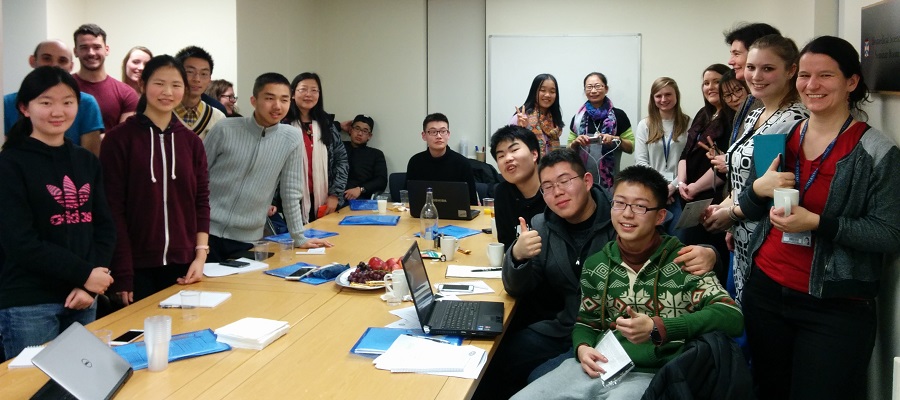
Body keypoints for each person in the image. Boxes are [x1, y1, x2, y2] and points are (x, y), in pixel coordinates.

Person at [473, 149, 717, 400]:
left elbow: (664, 245)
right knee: (496, 359)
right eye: (547, 186)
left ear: (587, 181)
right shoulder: (541, 226)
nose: (557, 192)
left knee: (539, 377)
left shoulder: (621, 216)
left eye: (565, 181)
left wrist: (710, 252)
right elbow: (518, 288)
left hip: (614, 331)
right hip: (566, 325)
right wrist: (517, 256)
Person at [737, 36, 900, 400]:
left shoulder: (876, 151)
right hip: (766, 291)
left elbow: (890, 233)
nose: (811, 86)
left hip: (835, 306)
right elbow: (749, 208)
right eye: (804, 75)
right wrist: (756, 190)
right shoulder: (777, 137)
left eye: (825, 75)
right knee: (769, 390)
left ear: (851, 82)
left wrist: (817, 223)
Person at [0, 66, 115, 360]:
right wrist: (86, 274)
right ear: (25, 108)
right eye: (46, 102)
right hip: (30, 302)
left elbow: (103, 228)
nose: (58, 111)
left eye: (67, 102)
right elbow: (20, 242)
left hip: (82, 296)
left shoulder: (86, 161)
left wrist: (91, 284)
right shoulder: (10, 164)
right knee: (33, 389)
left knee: (79, 386)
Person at [704, 35, 808, 304]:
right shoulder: (754, 113)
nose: (756, 76)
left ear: (791, 71)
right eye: (751, 67)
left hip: (766, 241)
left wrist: (731, 214)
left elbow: (771, 192)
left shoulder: (792, 121)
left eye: (768, 68)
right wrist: (727, 214)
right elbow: (745, 179)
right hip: (741, 236)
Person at [100, 55, 210, 305]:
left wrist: (200, 256)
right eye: (159, 83)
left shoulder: (192, 143)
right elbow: (112, 210)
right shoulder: (119, 140)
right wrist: (123, 271)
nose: (168, 92)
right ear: (142, 85)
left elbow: (201, 202)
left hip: (184, 266)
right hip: (135, 268)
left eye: (176, 85)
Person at [203, 73, 333, 262]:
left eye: (284, 99)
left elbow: (290, 191)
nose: (277, 106)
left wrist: (298, 236)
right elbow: (197, 178)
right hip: (206, 234)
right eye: (269, 98)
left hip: (249, 239)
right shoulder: (224, 129)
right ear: (254, 100)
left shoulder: (291, 137)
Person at [676, 63, 731, 284]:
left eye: (716, 81)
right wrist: (681, 182)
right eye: (706, 82)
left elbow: (725, 166)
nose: (710, 87)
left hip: (713, 198)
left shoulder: (731, 118)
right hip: (688, 195)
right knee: (690, 256)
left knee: (711, 259)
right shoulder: (703, 114)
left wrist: (695, 187)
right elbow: (685, 153)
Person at [4, 40, 103, 156]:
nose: (54, 65)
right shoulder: (6, 103)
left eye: (62, 60)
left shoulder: (86, 103)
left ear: (71, 66)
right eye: (47, 58)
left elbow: (91, 156)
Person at [283, 72, 349, 221]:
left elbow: (341, 160)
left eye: (314, 90)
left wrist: (335, 194)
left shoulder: (327, 124)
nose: (309, 94)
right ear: (293, 94)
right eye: (303, 89)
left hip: (325, 200)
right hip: (290, 201)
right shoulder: (283, 124)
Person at [634, 77, 691, 235]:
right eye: (658, 96)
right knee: (652, 241)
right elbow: (641, 161)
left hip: (679, 193)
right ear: (653, 99)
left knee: (678, 242)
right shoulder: (645, 125)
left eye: (668, 94)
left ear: (676, 96)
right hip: (652, 191)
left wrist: (672, 187)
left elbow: (690, 161)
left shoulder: (688, 124)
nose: (663, 99)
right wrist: (661, 188)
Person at [568, 72, 634, 189]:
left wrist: (615, 139)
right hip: (582, 181)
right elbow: (568, 150)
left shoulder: (619, 115)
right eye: (589, 87)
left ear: (606, 88)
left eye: (598, 86)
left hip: (611, 182)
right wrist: (575, 143)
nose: (593, 91)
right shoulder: (578, 118)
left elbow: (630, 147)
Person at [72, 23, 139, 132]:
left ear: (106, 50)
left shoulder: (126, 93)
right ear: (75, 51)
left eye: (97, 47)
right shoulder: (64, 88)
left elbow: (123, 137)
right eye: (84, 47)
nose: (91, 53)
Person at [489, 125, 544, 250]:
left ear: (534, 154)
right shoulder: (502, 193)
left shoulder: (553, 189)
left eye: (514, 150)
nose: (508, 159)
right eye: (501, 156)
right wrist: (517, 253)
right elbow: (506, 244)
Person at [405, 113, 478, 205]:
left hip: (456, 217)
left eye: (443, 131)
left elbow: (472, 202)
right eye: (433, 132)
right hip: (422, 215)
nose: (439, 136)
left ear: (448, 134)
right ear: (424, 135)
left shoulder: (462, 163)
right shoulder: (415, 162)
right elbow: (407, 198)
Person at [173, 46, 226, 139]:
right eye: (190, 72)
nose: (197, 79)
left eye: (204, 74)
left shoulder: (218, 118)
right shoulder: (163, 113)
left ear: (210, 80)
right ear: (176, 74)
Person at [511, 73, 564, 156]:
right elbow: (511, 148)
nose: (547, 95)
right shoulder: (521, 117)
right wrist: (521, 129)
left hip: (550, 167)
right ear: (534, 91)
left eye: (552, 91)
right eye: (542, 90)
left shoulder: (554, 119)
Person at [342, 114, 386, 201]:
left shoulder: (376, 154)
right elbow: (322, 130)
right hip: (334, 196)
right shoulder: (339, 147)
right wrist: (339, 126)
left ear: (369, 136)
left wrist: (361, 189)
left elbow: (381, 180)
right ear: (350, 130)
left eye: (365, 131)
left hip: (361, 198)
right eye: (357, 128)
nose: (359, 133)